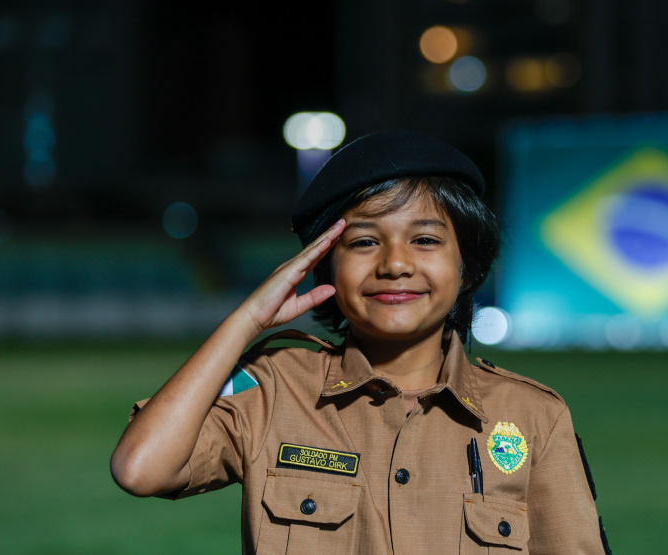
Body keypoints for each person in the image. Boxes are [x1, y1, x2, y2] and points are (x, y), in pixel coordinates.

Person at [111, 129, 610, 554]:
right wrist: (248, 319)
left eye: (426, 240)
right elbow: (140, 469)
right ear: (325, 265)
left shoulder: (533, 417)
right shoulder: (274, 389)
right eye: (365, 241)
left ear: (466, 264)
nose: (395, 264)